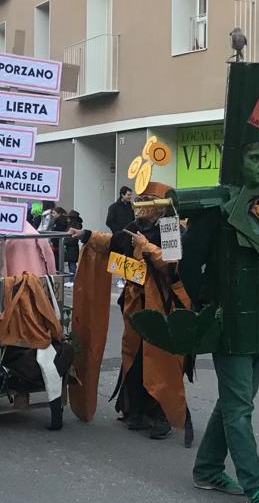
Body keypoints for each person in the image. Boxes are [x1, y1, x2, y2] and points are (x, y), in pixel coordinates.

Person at [70, 182, 192, 443]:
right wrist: (86, 234)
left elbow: (172, 265)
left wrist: (146, 246)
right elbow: (112, 242)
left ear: (158, 207)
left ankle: (160, 415)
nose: (141, 205)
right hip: (135, 303)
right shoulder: (133, 227)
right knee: (134, 357)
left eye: (147, 200)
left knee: (161, 360)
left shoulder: (171, 229)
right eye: (140, 199)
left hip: (163, 305)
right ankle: (135, 410)